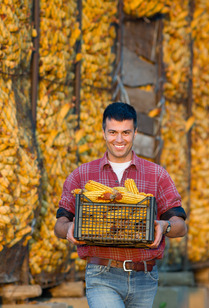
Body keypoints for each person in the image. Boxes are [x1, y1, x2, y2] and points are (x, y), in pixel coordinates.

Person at [54, 102, 187, 308]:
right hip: (102, 274)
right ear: (103, 132)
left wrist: (163, 226)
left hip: (145, 276)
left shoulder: (157, 174)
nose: (119, 139)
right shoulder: (81, 174)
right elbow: (60, 224)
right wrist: (69, 228)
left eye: (125, 132)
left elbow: (180, 225)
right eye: (112, 132)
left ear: (135, 132)